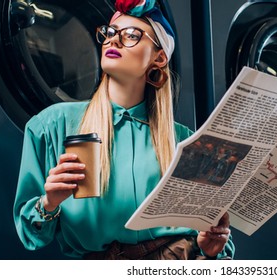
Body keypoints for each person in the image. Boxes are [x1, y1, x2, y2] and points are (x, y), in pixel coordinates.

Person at [13, 0, 234, 260]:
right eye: (109, 32)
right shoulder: (51, 126)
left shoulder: (186, 141)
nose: (113, 41)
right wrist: (48, 203)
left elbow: (221, 244)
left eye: (131, 35)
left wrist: (211, 246)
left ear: (159, 57)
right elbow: (31, 236)